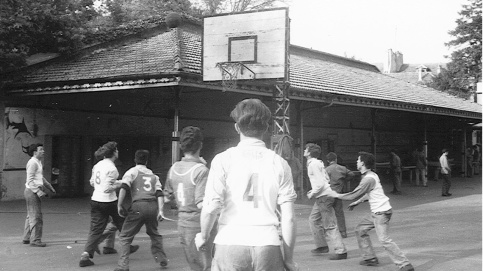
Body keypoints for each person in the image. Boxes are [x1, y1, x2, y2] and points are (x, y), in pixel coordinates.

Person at [195, 98, 298, 271]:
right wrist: (288, 258)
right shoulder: (280, 163)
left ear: (237, 128)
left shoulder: (223, 160)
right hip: (268, 244)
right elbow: (289, 217)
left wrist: (203, 236)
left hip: (230, 241)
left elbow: (211, 206)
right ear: (266, 128)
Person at [328, 151, 415, 271]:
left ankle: (404, 264)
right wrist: (357, 203)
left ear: (363, 163)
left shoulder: (368, 179)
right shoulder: (372, 175)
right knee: (360, 229)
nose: (356, 162)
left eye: (358, 160)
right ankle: (370, 258)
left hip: (381, 213)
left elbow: (353, 194)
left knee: (384, 240)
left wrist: (335, 194)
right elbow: (370, 194)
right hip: (378, 212)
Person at [165, 126, 215, 271]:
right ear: (200, 145)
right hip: (198, 225)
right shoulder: (201, 171)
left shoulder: (173, 168)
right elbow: (202, 204)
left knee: (194, 265)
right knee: (207, 266)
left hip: (182, 224)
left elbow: (168, 198)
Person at [114, 149, 168, 271]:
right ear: (147, 161)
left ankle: (123, 266)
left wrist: (119, 204)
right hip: (152, 206)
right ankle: (161, 258)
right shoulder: (153, 175)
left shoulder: (132, 172)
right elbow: (159, 193)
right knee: (154, 233)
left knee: (125, 236)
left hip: (138, 206)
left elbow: (124, 187)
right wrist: (161, 211)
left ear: (135, 159)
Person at [79, 141, 125, 267]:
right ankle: (127, 246)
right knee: (122, 222)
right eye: (117, 150)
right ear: (114, 152)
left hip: (96, 199)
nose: (118, 151)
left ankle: (86, 255)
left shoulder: (97, 165)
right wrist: (122, 183)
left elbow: (92, 182)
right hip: (109, 201)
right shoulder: (113, 168)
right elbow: (109, 188)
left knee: (95, 229)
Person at [304, 144, 347, 260]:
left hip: (323, 197)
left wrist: (312, 193)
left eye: (305, 149)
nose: (304, 150)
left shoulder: (312, 164)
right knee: (313, 220)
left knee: (329, 224)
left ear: (309, 152)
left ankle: (340, 250)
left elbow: (320, 184)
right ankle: (322, 246)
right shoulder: (319, 163)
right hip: (323, 195)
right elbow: (326, 179)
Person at [22, 143, 56, 247]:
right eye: (41, 149)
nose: (43, 151)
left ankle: (26, 237)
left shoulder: (38, 162)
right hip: (32, 192)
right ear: (34, 152)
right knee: (36, 217)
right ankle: (35, 240)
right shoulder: (33, 163)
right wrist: (38, 191)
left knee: (31, 215)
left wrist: (49, 186)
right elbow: (30, 180)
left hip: (32, 191)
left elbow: (40, 177)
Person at [325, 152, 354, 238]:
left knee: (326, 213)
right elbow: (352, 174)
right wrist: (344, 181)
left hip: (328, 193)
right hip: (338, 193)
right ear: (336, 159)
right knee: (339, 213)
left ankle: (326, 232)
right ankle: (343, 232)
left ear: (327, 160)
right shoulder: (342, 168)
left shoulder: (326, 169)